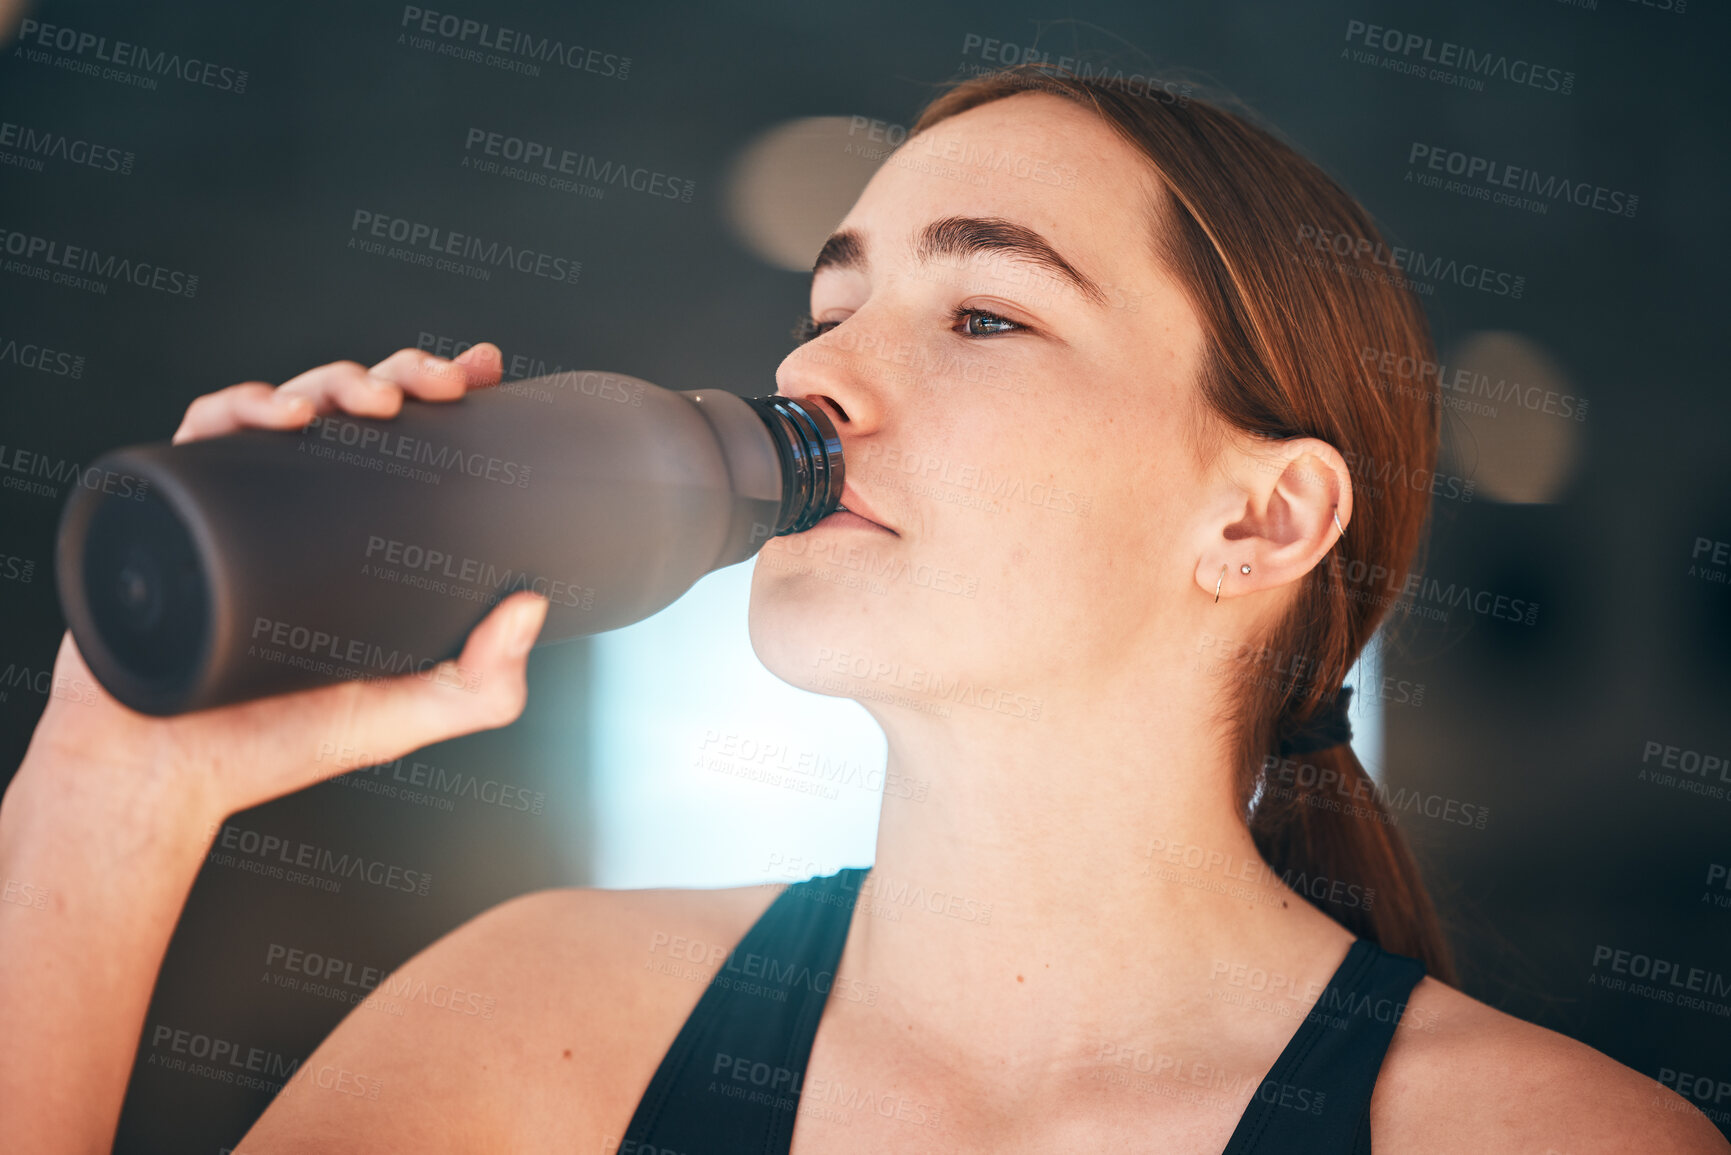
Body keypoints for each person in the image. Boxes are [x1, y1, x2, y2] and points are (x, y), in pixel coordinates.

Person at [1, 65, 1724, 1154]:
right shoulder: (539, 1029)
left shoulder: (1543, 1138)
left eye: (984, 314)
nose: (817, 369)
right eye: (830, 305)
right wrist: (115, 790)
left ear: (1261, 514)